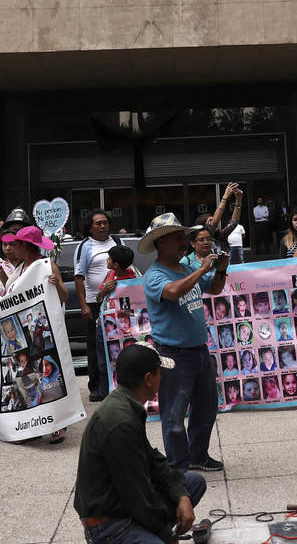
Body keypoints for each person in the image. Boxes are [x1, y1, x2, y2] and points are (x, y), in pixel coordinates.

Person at [75, 344, 207, 544]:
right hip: (108, 525)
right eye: (159, 373)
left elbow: (154, 462)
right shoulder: (121, 422)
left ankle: (153, 530)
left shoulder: (126, 405)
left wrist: (182, 496)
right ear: (148, 379)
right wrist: (166, 535)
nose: (162, 378)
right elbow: (137, 496)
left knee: (193, 484)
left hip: (123, 504)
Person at [141, 213, 229, 472]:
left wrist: (220, 269)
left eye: (183, 236)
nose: (184, 241)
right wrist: (203, 269)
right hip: (173, 354)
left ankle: (197, 456)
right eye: (178, 237)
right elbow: (172, 292)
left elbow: (213, 289)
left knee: (206, 408)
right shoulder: (155, 275)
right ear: (161, 243)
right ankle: (178, 466)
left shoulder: (186, 268)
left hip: (199, 350)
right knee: (174, 414)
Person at [0, 224, 71, 442]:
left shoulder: (46, 264)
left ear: (26, 245)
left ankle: (58, 424)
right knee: (29, 378)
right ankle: (33, 423)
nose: (11, 248)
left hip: (43, 332)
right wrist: (2, 279)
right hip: (23, 335)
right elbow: (13, 295)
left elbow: (63, 296)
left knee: (50, 377)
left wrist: (56, 285)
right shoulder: (19, 267)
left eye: (16, 244)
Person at [75, 210, 119, 402]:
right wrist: (84, 305)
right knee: (94, 346)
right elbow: (79, 277)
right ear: (90, 227)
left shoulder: (117, 241)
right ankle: (96, 386)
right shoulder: (85, 246)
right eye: (98, 223)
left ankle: (117, 383)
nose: (103, 226)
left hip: (116, 300)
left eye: (105, 223)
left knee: (116, 343)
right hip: (94, 302)